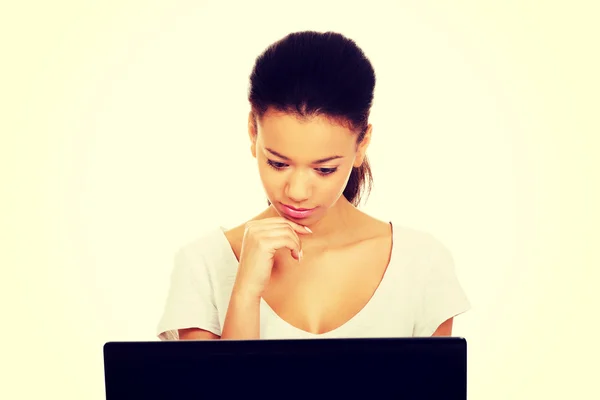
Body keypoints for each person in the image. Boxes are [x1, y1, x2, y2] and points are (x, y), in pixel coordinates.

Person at [157, 31, 470, 340]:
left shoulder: (420, 263)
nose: (296, 192)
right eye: (278, 163)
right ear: (254, 133)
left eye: (324, 169)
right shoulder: (204, 264)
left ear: (362, 145)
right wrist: (244, 294)